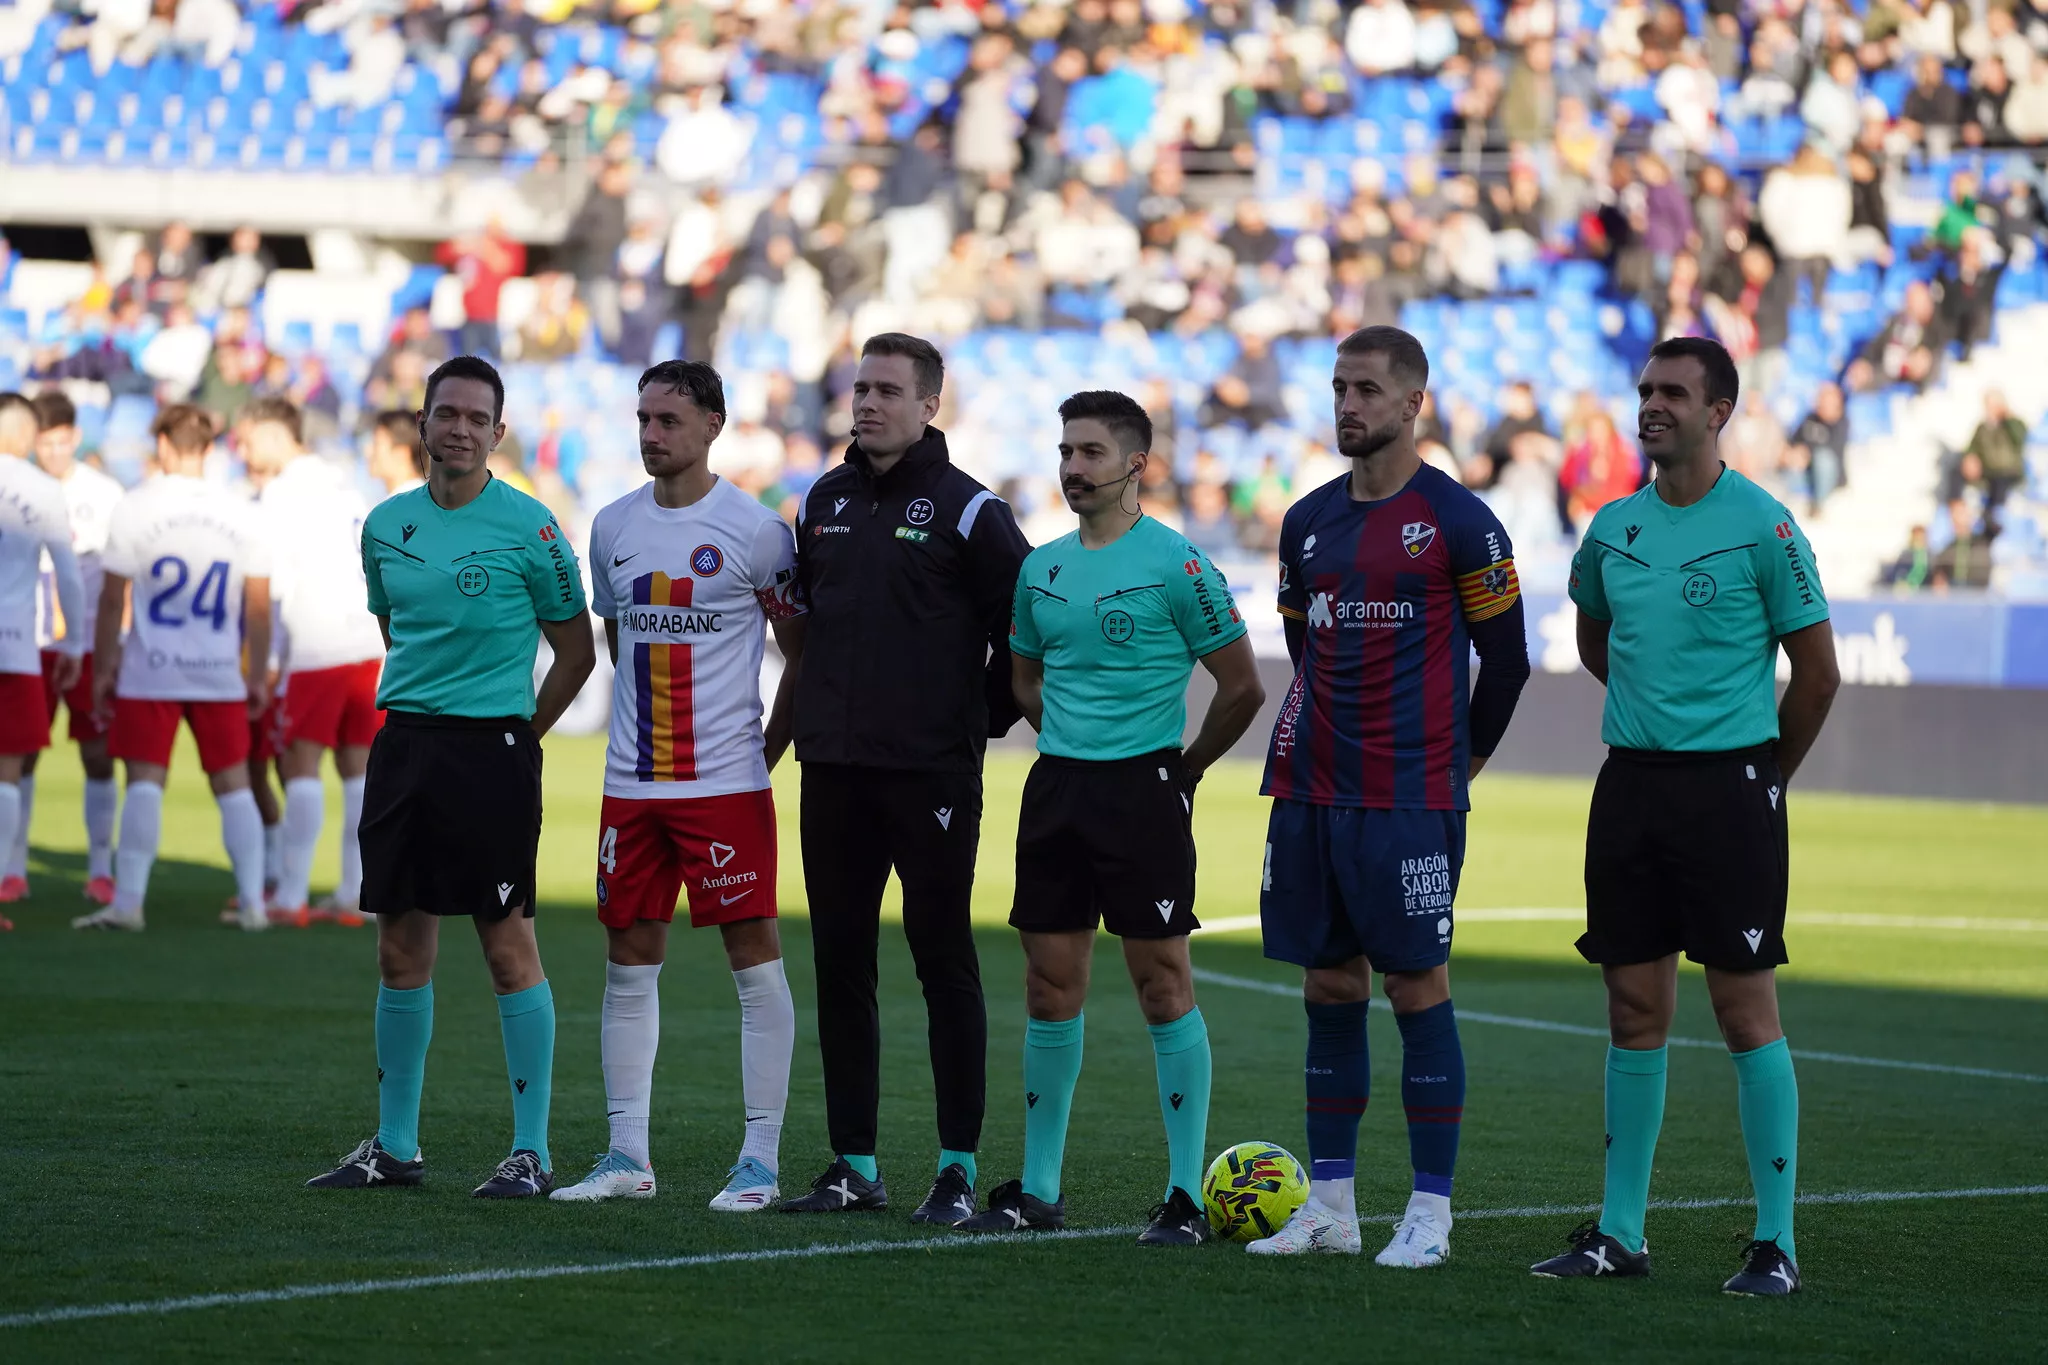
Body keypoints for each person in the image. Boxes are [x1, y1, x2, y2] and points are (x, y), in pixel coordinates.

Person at [1531, 336, 1838, 1296]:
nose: (1652, 405)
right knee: (1633, 1010)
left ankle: (1775, 1242)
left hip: (1731, 791)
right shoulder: (1612, 527)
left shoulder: (1764, 526)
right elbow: (1596, 638)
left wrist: (1763, 775)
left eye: (1673, 392)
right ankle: (1621, 1233)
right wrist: (1655, 715)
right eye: (1645, 390)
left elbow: (1818, 673)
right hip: (1631, 788)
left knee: (1745, 1010)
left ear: (1720, 412)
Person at [1245, 327, 1531, 1265]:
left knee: (1416, 987)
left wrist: (1462, 767)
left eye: (1366, 388)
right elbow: (1305, 641)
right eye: (1338, 387)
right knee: (1329, 984)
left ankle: (1432, 1212)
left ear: (1414, 404)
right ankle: (1330, 1205)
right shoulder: (1307, 520)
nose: (1346, 404)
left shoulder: (1461, 522)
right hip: (1309, 787)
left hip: (1409, 798)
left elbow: (1510, 660)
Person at [954, 391, 1264, 1244]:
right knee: (1050, 985)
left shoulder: (1178, 564)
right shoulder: (1040, 568)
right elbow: (1021, 678)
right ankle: (1040, 1187)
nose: (1072, 468)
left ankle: (1185, 1198)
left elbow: (1242, 687)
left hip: (1145, 792)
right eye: (1065, 451)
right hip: (1057, 791)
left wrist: (1185, 769)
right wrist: (1072, 733)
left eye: (1090, 451)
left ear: (1137, 465)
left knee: (1163, 983)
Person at [307, 356, 596, 1198]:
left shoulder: (532, 528)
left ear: (497, 433)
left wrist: (523, 733)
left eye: (477, 417)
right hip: (405, 748)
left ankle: (532, 1151)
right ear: (424, 424)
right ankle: (397, 1146)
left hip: (492, 752)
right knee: (399, 946)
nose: (460, 428)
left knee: (508, 947)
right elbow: (396, 627)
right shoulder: (385, 525)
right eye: (447, 414)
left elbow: (575, 651)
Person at [779, 333, 1031, 1223]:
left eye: (889, 389)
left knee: (941, 962)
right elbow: (804, 628)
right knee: (840, 964)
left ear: (931, 405)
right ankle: (853, 1163)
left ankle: (957, 1168)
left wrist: (975, 719)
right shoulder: (826, 498)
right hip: (833, 774)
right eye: (861, 388)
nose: (869, 403)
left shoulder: (972, 511)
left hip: (928, 774)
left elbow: (1025, 628)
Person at [549, 360, 806, 1212]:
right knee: (627, 964)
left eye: (669, 420)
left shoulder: (759, 533)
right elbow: (621, 641)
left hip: (725, 785)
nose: (652, 434)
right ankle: (627, 1155)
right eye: (644, 419)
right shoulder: (611, 526)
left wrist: (762, 752)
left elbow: (800, 660)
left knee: (753, 962)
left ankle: (760, 1161)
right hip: (631, 785)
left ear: (712, 426)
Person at [75, 404, 274, 934]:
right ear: (209, 449)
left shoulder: (135, 506)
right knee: (233, 784)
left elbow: (113, 597)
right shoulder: (242, 511)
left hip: (150, 667)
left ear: (163, 445)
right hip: (218, 671)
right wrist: (256, 675)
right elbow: (258, 607)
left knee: (143, 781)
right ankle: (253, 903)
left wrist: (101, 669)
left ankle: (129, 904)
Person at [244, 398, 385, 926]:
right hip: (366, 644)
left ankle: (289, 897)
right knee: (358, 769)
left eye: (250, 438)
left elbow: (264, 591)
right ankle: (355, 894)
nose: (244, 450)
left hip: (316, 643)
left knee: (300, 764)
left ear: (278, 435)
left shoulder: (279, 494)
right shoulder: (345, 484)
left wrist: (262, 668)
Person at [2, 392, 124, 909]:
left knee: (97, 755)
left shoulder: (107, 493)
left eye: (59, 441)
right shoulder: (35, 488)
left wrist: (107, 644)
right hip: (30, 642)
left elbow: (119, 575)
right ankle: (13, 868)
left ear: (74, 437)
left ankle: (100, 868)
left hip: (86, 642)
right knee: (18, 758)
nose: (50, 451)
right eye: (42, 441)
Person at [0, 393, 86, 932]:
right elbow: (70, 577)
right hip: (14, 646)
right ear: (31, 435)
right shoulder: (43, 489)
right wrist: (74, 644)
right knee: (7, 774)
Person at [367, 409, 429, 498]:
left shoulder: (407, 505)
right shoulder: (416, 499)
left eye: (376, 444)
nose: (368, 451)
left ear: (401, 453)